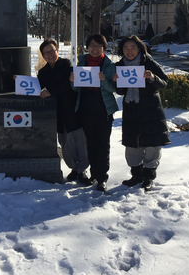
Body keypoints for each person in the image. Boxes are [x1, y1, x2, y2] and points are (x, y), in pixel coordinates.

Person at [113, 35, 170, 191]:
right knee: (132, 145)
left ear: (139, 48)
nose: (129, 51)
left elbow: (164, 82)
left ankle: (148, 177)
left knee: (152, 144)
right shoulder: (120, 66)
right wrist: (117, 82)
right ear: (121, 50)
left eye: (133, 47)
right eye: (125, 48)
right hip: (132, 110)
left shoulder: (148, 62)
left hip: (151, 110)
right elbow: (120, 91)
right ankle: (136, 175)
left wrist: (152, 78)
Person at [36, 39, 90, 184]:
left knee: (79, 140)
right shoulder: (42, 73)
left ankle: (83, 169)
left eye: (52, 50)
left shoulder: (67, 65)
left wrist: (51, 91)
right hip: (56, 113)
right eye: (46, 52)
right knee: (65, 142)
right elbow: (39, 90)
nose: (50, 54)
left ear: (57, 51)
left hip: (72, 109)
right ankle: (74, 169)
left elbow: (67, 85)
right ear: (43, 55)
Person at [70, 34, 118, 192]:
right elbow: (76, 89)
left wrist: (104, 81)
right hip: (85, 107)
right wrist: (72, 82)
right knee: (90, 143)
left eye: (98, 46)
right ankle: (94, 174)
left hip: (103, 108)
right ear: (87, 47)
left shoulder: (109, 65)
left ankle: (102, 177)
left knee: (103, 144)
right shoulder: (81, 62)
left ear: (104, 47)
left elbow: (114, 89)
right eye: (92, 45)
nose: (95, 49)